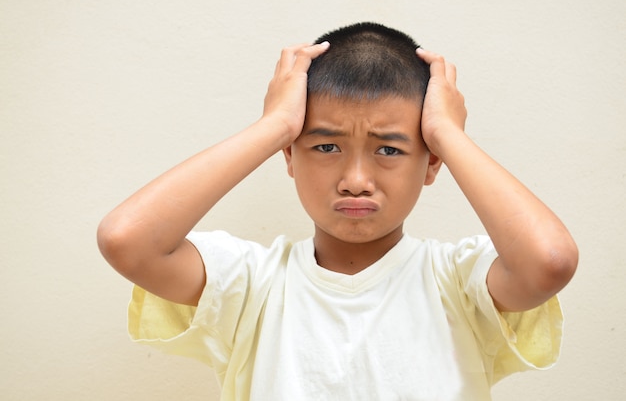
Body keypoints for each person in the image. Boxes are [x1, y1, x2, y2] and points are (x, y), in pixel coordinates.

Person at [97, 22, 578, 400]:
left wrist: (449, 134)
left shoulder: (458, 280)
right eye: (326, 146)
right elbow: (127, 239)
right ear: (289, 154)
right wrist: (275, 125)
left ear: (432, 164)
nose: (356, 180)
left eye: (389, 150)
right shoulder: (251, 285)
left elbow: (549, 261)